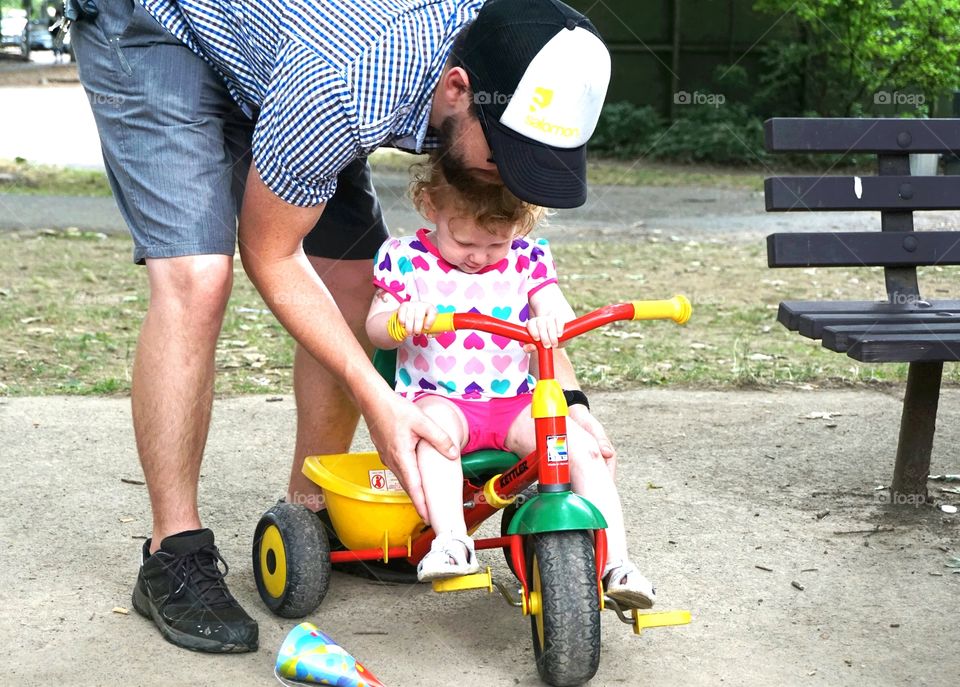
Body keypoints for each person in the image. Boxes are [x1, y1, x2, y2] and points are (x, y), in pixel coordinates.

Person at [71, 0, 612, 652]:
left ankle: (310, 509)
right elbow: (270, 251)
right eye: (507, 156)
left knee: (357, 284)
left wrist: (571, 403)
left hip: (283, 55)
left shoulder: (508, 44)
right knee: (196, 275)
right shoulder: (352, 79)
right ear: (456, 87)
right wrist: (375, 396)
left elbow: (527, 296)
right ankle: (172, 552)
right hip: (163, 27)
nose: (513, 183)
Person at [365, 157, 656, 608]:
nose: (479, 256)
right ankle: (451, 540)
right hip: (439, 396)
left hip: (514, 402)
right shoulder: (405, 259)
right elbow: (375, 328)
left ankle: (618, 562)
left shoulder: (528, 258)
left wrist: (551, 321)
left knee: (580, 448)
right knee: (435, 438)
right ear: (429, 205)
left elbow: (555, 307)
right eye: (464, 241)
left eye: (496, 244)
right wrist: (402, 318)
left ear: (520, 226)